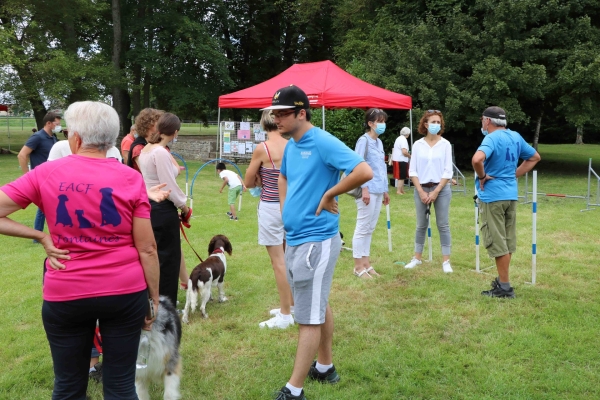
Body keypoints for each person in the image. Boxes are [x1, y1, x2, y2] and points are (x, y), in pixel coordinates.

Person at [0, 101, 159, 399]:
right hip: (124, 292)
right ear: (111, 140)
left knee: (69, 385)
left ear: (75, 137)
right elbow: (147, 248)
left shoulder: (46, 172)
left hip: (66, 291)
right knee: (121, 384)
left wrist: (40, 236)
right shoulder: (131, 177)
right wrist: (152, 298)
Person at [265, 85, 372, 400]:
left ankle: (294, 389)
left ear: (301, 113)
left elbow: (363, 170)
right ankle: (325, 367)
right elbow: (283, 176)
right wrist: (286, 212)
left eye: (283, 112)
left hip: (318, 239)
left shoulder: (322, 141)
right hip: (297, 237)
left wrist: (330, 193)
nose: (276, 118)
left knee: (308, 314)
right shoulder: (292, 144)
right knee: (316, 303)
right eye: (274, 113)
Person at [472, 106, 540, 298]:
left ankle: (504, 287)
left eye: (482, 120)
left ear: (487, 121)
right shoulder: (515, 136)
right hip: (511, 195)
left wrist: (482, 175)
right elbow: (535, 157)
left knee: (497, 241)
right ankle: (503, 282)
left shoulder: (491, 138)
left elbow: (477, 159)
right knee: (507, 241)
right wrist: (513, 175)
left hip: (492, 196)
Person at [244, 110, 294, 329]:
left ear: (263, 124)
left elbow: (248, 181)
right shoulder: (292, 145)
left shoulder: (262, 148)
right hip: (291, 206)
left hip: (271, 206)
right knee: (289, 259)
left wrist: (256, 178)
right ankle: (291, 305)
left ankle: (285, 315)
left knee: (278, 262)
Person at [139, 112, 190, 307]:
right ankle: (166, 304)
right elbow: (168, 186)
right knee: (168, 259)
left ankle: (152, 300)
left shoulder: (147, 149)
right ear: (175, 132)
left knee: (155, 256)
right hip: (162, 207)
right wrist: (184, 208)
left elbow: (160, 175)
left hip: (149, 206)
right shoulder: (160, 152)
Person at [404, 110, 454, 273]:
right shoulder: (418, 145)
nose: (436, 125)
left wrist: (436, 191)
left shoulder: (445, 144)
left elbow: (448, 171)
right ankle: (417, 258)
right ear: (425, 124)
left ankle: (446, 261)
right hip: (422, 188)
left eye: (438, 122)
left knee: (443, 224)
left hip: (441, 189)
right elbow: (413, 170)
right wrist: (420, 191)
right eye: (433, 122)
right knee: (421, 225)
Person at [352, 108, 390, 279]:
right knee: (362, 227)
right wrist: (365, 188)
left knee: (370, 228)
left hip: (378, 189)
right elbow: (358, 165)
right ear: (370, 123)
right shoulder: (363, 141)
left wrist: (386, 190)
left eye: (383, 121)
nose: (382, 124)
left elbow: (381, 168)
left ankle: (367, 263)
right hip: (367, 189)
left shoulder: (379, 143)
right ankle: (358, 266)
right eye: (379, 121)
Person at [17, 112, 61, 242]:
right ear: (48, 123)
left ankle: (41, 235)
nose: (59, 126)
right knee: (44, 205)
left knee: (47, 205)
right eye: (57, 124)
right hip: (41, 177)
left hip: (52, 177)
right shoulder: (37, 137)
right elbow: (22, 155)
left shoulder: (53, 137)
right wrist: (27, 175)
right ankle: (37, 236)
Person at [392, 127, 411, 195]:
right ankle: (399, 191)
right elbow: (404, 152)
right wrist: (410, 156)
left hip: (398, 159)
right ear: (408, 133)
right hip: (401, 160)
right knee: (401, 176)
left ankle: (402, 190)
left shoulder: (399, 138)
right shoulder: (403, 140)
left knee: (403, 176)